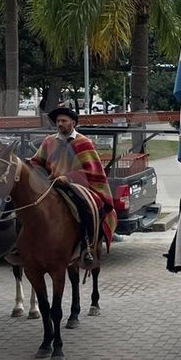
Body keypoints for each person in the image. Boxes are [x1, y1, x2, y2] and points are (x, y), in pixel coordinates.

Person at [31, 107, 116, 266]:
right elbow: (37, 162)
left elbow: (92, 170)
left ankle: (88, 243)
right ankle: (23, 245)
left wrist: (67, 177)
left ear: (73, 123)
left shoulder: (83, 142)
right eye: (57, 121)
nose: (59, 124)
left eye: (63, 121)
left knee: (86, 207)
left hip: (77, 186)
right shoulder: (49, 141)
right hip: (51, 185)